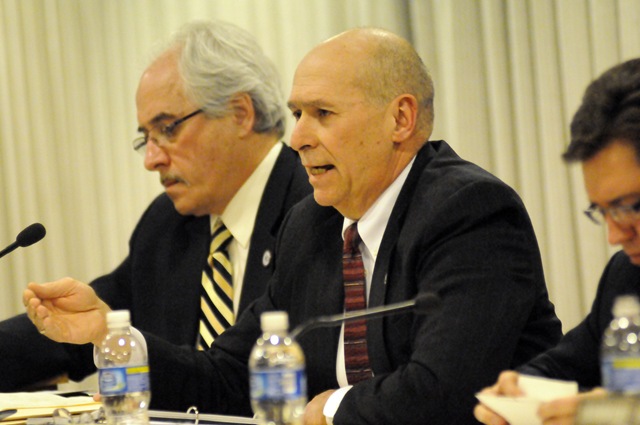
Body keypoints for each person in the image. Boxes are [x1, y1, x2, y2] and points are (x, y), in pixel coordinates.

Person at [25, 28, 561, 424]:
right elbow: (233, 377)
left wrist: (329, 409)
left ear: (400, 119)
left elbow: (444, 392)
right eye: (297, 114)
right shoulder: (311, 225)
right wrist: (109, 336)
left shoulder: (469, 211)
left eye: (322, 114)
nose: (299, 137)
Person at [0, 19, 310, 391]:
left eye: (167, 129)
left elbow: (240, 381)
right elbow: (78, 329)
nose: (151, 160)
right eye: (144, 138)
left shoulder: (314, 207)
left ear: (240, 114)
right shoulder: (167, 224)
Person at [474, 58, 640, 425]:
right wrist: (519, 389)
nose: (615, 236)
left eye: (629, 207)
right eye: (603, 211)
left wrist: (619, 414)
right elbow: (569, 362)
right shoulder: (627, 274)